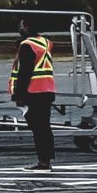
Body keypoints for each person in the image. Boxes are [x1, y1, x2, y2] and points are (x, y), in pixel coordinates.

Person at [9, 19, 57, 170]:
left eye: (22, 24)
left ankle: (43, 161)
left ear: (27, 27)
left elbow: (25, 72)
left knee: (38, 128)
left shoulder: (27, 46)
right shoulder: (45, 42)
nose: (20, 27)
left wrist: (18, 95)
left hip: (34, 91)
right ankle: (46, 159)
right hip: (47, 89)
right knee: (44, 127)